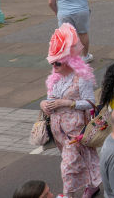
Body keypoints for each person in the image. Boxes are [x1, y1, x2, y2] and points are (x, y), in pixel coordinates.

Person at [41, 23, 101, 198]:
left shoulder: (81, 78)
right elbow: (48, 100)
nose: (54, 66)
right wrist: (43, 105)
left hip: (76, 131)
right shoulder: (54, 78)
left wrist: (67, 103)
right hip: (59, 132)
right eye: (52, 62)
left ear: (69, 61)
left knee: (67, 167)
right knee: (80, 161)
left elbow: (90, 103)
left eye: (58, 62)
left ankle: (68, 195)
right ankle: (92, 184)